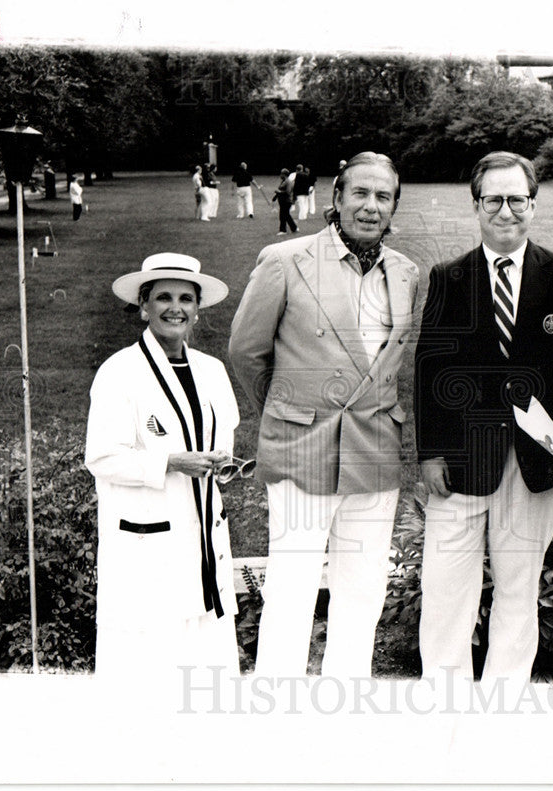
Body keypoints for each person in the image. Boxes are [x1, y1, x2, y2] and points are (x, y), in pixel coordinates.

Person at [229, 152, 418, 679]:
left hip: (374, 452)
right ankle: (276, 705)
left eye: (383, 196)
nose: (370, 206)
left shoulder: (406, 273)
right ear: (336, 198)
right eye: (360, 193)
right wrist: (288, 410)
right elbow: (246, 352)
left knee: (363, 590)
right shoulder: (284, 261)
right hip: (301, 451)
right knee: (292, 588)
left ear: (394, 207)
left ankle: (346, 702)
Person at [414, 151, 553, 688]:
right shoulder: (449, 278)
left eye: (517, 199)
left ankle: (503, 704)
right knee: (448, 589)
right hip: (461, 462)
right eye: (493, 200)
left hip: (536, 464)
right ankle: (443, 704)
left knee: (518, 590)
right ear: (476, 206)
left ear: (533, 206)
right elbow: (429, 370)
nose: (505, 211)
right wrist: (429, 452)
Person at [85, 252, 240, 682]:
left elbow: (221, 437)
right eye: (164, 298)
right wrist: (170, 462)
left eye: (186, 299)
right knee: (150, 648)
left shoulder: (211, 370)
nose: (176, 308)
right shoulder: (119, 372)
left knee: (204, 643)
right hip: (148, 533)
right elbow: (100, 456)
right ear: (143, 306)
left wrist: (224, 464)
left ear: (197, 309)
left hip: (203, 527)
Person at [273, 168, 297, 235]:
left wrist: (279, 192)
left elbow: (288, 192)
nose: (280, 175)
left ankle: (283, 230)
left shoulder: (288, 181)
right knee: (286, 215)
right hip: (283, 201)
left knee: (283, 215)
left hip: (286, 201)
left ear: (284, 174)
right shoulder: (283, 181)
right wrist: (275, 197)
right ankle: (294, 228)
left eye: (281, 174)